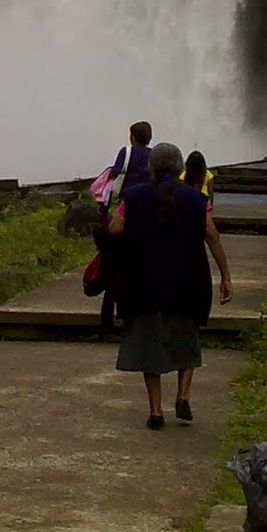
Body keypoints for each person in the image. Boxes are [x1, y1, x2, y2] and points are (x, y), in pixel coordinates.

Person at [107, 141, 232, 430]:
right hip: (187, 281)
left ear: (151, 167)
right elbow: (211, 235)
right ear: (180, 168)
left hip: (144, 282)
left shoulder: (133, 197)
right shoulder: (195, 199)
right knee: (186, 338)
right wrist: (225, 276)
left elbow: (115, 228)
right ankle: (183, 395)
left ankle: (155, 412)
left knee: (150, 345)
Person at [94, 121, 154, 334]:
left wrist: (104, 207)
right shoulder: (154, 156)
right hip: (146, 215)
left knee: (114, 267)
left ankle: (107, 322)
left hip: (123, 213)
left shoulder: (126, 152)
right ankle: (136, 319)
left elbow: (115, 175)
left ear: (132, 137)